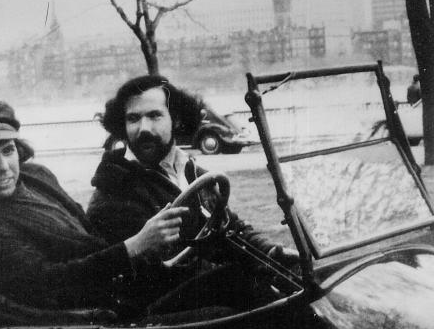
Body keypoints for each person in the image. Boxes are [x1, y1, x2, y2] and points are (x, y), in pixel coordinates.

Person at [0, 99, 188, 319]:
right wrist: (134, 246)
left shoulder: (35, 175)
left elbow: (86, 230)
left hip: (123, 287)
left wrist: (143, 245)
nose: (4, 167)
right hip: (99, 317)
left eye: (8, 150)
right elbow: (50, 283)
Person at [86, 75, 296, 312]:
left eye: (154, 116)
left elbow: (230, 228)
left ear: (176, 120)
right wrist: (242, 271)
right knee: (245, 284)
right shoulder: (113, 190)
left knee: (296, 278)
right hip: (157, 318)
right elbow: (148, 277)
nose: (143, 128)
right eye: (133, 119)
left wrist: (272, 253)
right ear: (122, 126)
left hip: (201, 296)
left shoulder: (193, 173)